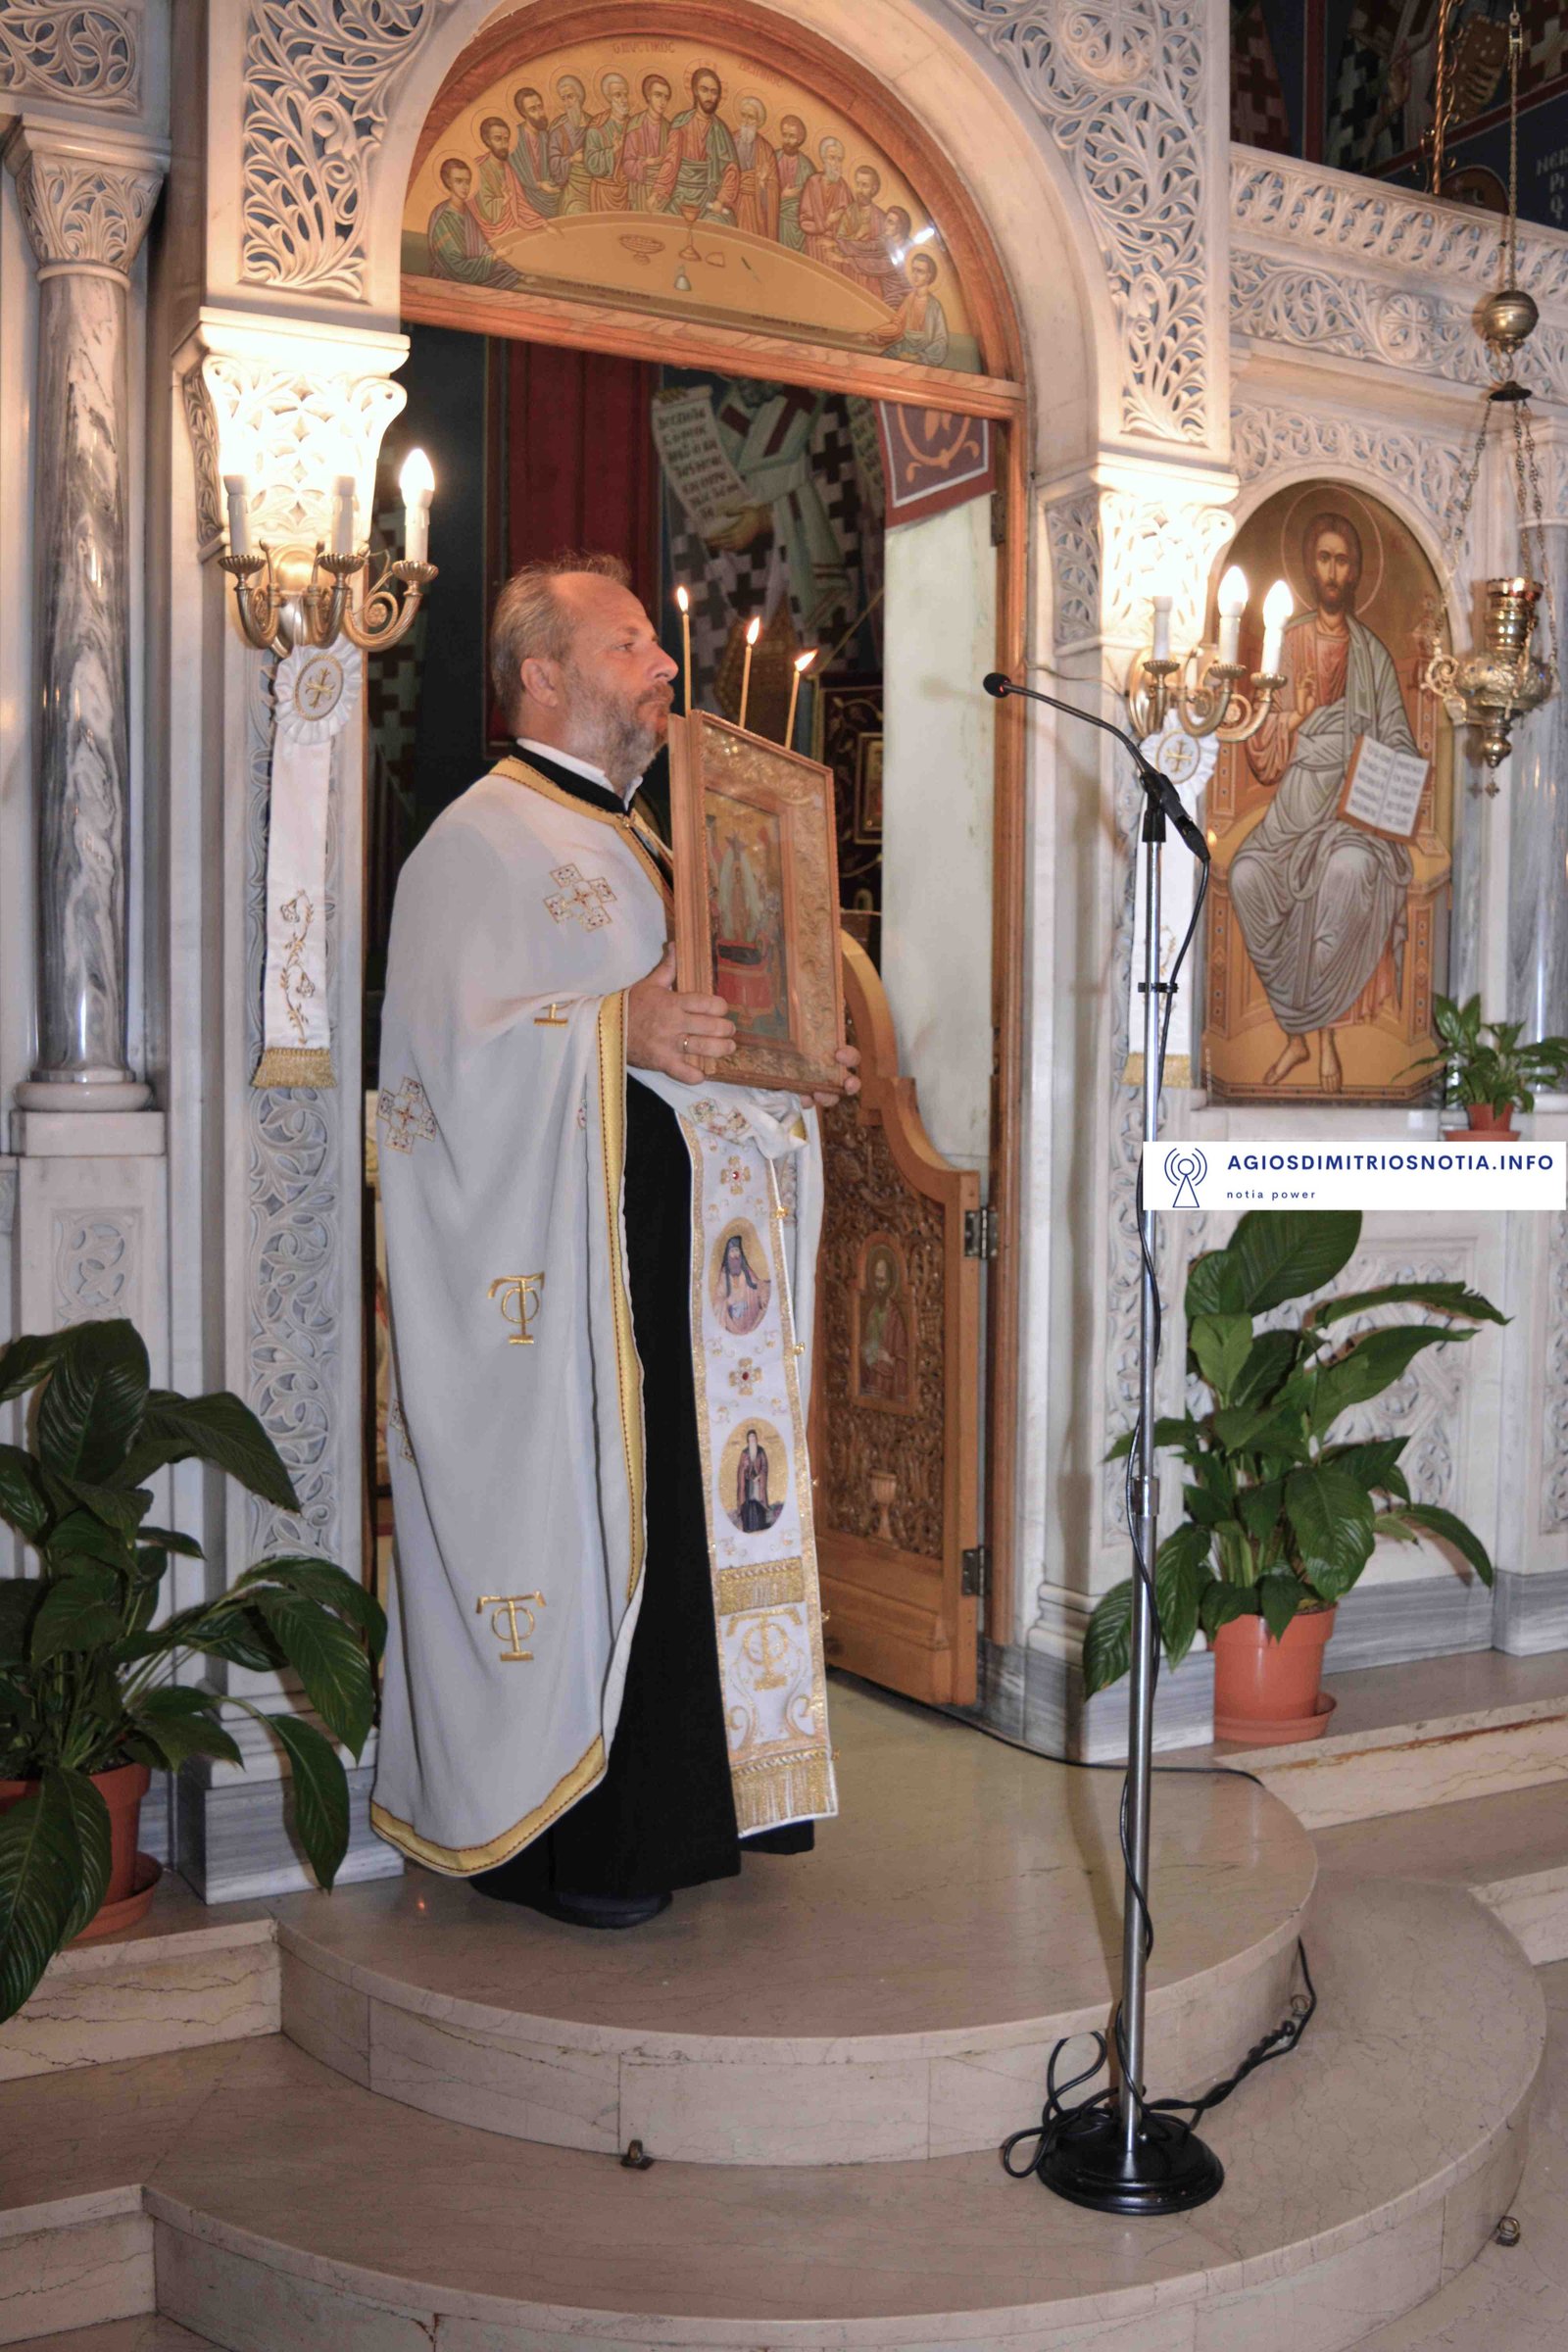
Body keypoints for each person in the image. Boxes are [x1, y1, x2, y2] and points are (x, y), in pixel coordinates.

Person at [371, 555, 858, 1930]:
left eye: (657, 641)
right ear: (540, 674)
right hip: (573, 1289)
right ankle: (581, 1844)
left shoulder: (655, 841)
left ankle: (695, 1811)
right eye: (629, 643)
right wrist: (615, 1029)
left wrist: (790, 1063)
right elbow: (439, 1075)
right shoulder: (477, 843)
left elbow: (699, 1049)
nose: (663, 666)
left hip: (689, 1275)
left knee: (699, 1524)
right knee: (608, 1527)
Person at [1233, 512, 1416, 1094]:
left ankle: (1329, 1039)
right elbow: (1262, 750)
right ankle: (1295, 1033)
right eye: (1324, 559)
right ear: (1310, 567)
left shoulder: (1372, 655)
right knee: (1246, 875)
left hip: (1352, 813)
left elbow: (1401, 742)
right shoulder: (1286, 645)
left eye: (1343, 561)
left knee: (1346, 871)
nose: (1334, 572)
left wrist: (1375, 759)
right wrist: (1297, 717)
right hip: (1296, 807)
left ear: (1356, 571)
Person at [654, 64, 741, 222]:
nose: (709, 97)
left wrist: (721, 200)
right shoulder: (681, 122)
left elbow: (731, 170)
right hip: (680, 196)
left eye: (714, 92)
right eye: (704, 90)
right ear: (695, 91)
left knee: (718, 223)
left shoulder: (721, 130)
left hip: (709, 197)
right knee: (666, 223)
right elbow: (671, 161)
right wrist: (659, 191)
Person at [426, 158, 523, 289]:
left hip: (476, 268)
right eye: (459, 181)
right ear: (448, 182)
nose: (465, 187)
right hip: (451, 280)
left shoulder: (467, 213)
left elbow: (481, 248)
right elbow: (456, 267)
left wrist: (508, 269)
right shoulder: (443, 219)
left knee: (515, 277)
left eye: (467, 182)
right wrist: (495, 257)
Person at [474, 116, 551, 239]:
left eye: (506, 139)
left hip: (516, 224)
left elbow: (520, 204)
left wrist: (543, 224)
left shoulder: (508, 168)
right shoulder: (480, 170)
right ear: (487, 140)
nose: (503, 144)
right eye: (498, 139)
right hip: (494, 234)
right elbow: (488, 213)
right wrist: (504, 201)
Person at [874, 251, 950, 366]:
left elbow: (941, 340)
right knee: (881, 361)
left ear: (928, 276)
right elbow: (897, 324)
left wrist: (917, 357)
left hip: (923, 353)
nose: (915, 275)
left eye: (920, 271)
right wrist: (876, 333)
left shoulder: (934, 306)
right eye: (914, 270)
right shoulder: (910, 298)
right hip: (904, 346)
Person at [622, 74, 672, 211]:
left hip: (662, 191)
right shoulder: (635, 125)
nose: (663, 102)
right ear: (648, 96)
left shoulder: (669, 128)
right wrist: (646, 162)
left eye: (666, 97)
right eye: (658, 95)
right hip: (641, 188)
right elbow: (626, 164)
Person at [509, 85, 559, 220]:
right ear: (523, 113)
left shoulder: (546, 135)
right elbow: (514, 174)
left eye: (540, 107)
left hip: (551, 195)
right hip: (527, 199)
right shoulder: (515, 139)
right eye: (533, 109)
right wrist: (539, 185)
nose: (540, 113)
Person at [734, 95, 779, 240]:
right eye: (744, 116)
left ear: (759, 121)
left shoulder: (766, 150)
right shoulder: (730, 140)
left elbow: (773, 189)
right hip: (732, 202)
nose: (746, 121)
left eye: (751, 117)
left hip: (754, 208)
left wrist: (761, 183)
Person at [775, 115, 815, 251]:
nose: (787, 140)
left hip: (797, 223)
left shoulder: (807, 166)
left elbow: (812, 202)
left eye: (792, 136)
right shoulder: (773, 158)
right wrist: (782, 196)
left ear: (799, 139)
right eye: (784, 135)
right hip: (775, 220)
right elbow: (762, 192)